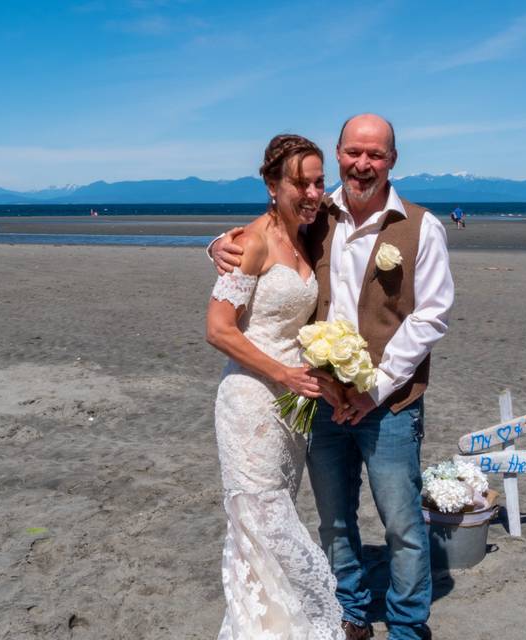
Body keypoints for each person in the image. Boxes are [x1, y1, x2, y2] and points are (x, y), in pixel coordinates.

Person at [210, 114, 454, 640]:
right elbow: (263, 235)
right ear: (341, 153)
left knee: (403, 524)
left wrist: (375, 388)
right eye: (354, 153)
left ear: (392, 160)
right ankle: (351, 613)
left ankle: (409, 626)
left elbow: (431, 315)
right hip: (317, 401)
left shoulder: (421, 227)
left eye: (376, 154)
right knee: (335, 521)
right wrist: (218, 246)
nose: (362, 164)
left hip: (387, 404)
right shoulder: (316, 213)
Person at [206, 134, 344, 639]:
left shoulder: (305, 233)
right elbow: (218, 328)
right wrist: (283, 373)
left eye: (317, 181)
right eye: (298, 183)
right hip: (251, 403)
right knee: (263, 526)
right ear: (271, 184)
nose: (311, 193)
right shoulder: (254, 241)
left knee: (274, 523)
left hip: (293, 410)